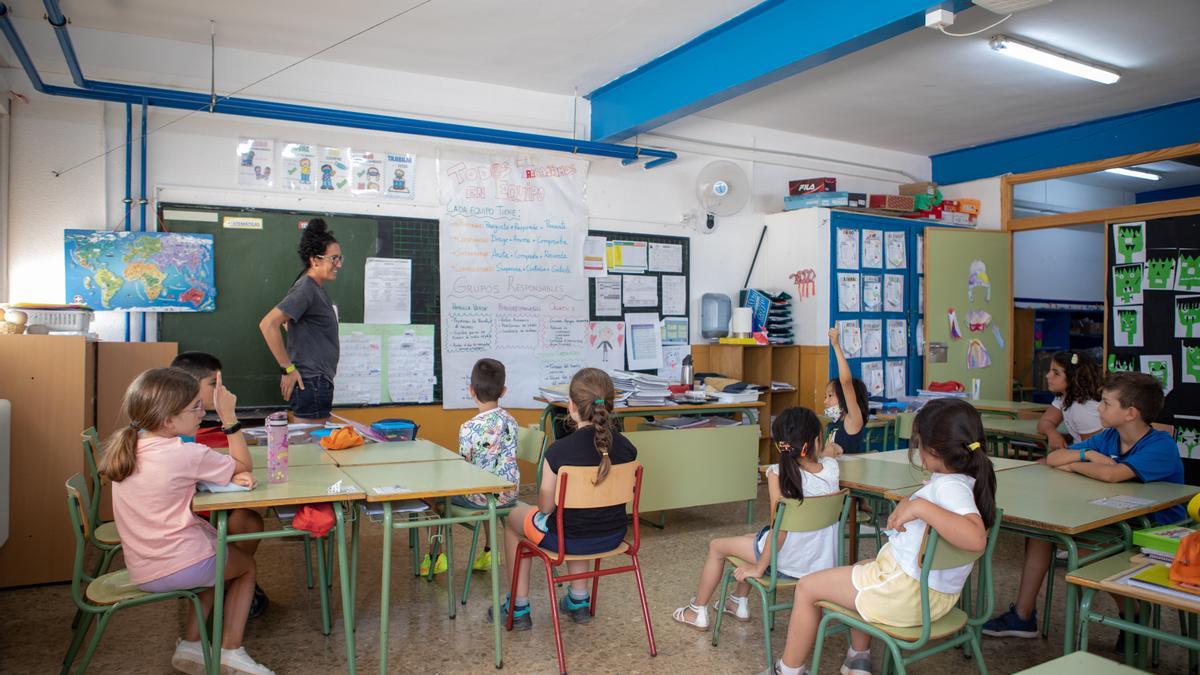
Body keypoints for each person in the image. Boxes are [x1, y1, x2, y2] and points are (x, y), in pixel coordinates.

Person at [765, 398, 996, 675]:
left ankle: (788, 670)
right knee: (862, 566)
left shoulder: (950, 488)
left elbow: (975, 538)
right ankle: (857, 660)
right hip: (934, 596)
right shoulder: (968, 481)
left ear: (931, 449)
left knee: (807, 587)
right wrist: (915, 505)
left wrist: (920, 506)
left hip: (906, 597)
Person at [983, 372, 1182, 643]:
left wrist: (1075, 465)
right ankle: (1023, 615)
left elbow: (1113, 475)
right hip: (1111, 516)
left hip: (1153, 531)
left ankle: (1132, 616)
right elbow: (1054, 458)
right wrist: (1086, 455)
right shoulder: (1109, 437)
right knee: (1041, 533)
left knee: (1088, 548)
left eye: (1106, 403)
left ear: (1131, 413)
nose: (1098, 408)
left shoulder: (1161, 445)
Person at [99, 368, 273, 675]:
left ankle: (192, 645)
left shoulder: (127, 449)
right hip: (180, 564)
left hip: (142, 567)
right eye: (195, 407)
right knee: (244, 567)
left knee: (213, 565)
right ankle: (231, 651)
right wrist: (228, 418)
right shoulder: (185, 453)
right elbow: (243, 465)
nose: (201, 411)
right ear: (168, 420)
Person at [487, 368, 636, 630]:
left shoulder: (559, 452)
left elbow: (545, 507)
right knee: (576, 519)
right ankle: (579, 601)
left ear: (571, 406)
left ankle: (517, 606)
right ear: (610, 406)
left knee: (514, 519)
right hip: (614, 534)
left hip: (567, 538)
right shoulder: (627, 448)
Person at [671, 407, 839, 630]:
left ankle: (696, 611)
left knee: (717, 547)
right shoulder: (832, 469)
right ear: (817, 441)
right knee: (754, 537)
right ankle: (736, 601)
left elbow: (779, 530)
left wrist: (760, 567)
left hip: (788, 563)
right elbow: (828, 455)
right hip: (821, 564)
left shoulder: (778, 474)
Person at [170, 351, 270, 618]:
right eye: (213, 385)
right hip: (185, 526)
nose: (221, 390)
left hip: (177, 525)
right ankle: (227, 583)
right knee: (246, 521)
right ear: (187, 386)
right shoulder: (185, 436)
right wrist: (229, 417)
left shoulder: (173, 429)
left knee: (246, 519)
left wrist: (226, 473)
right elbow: (243, 465)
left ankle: (226, 583)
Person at [421, 358, 520, 576]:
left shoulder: (468, 428)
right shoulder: (512, 421)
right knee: (487, 483)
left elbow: (465, 470)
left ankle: (435, 556)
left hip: (481, 497)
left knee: (431, 497)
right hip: (509, 494)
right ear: (503, 391)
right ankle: (490, 550)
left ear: (471, 391)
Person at [258, 218, 341, 424]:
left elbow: (290, 325)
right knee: (310, 451)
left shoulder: (314, 288)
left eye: (340, 258)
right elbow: (268, 324)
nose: (339, 264)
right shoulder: (306, 288)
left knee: (311, 449)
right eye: (334, 258)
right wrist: (287, 368)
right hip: (311, 383)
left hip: (316, 382)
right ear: (315, 260)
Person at [1037, 350, 1104, 451]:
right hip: (1078, 455)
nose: (1048, 376)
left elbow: (1092, 452)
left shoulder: (1083, 408)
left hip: (1087, 460)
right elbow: (1045, 422)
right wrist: (1052, 433)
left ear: (1073, 377)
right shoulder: (1064, 396)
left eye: (1056, 373)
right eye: (1050, 370)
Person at [824, 326, 869, 456]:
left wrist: (836, 346)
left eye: (830, 395)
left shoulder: (852, 422)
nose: (825, 401)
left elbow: (846, 382)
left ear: (845, 396)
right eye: (825, 396)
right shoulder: (833, 425)